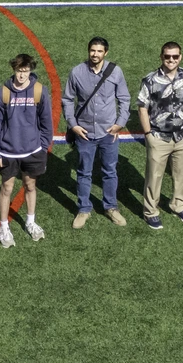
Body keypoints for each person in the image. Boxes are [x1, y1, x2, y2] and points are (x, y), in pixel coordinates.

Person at [62, 36, 131, 229]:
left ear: (105, 53)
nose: (95, 54)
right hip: (84, 133)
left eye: (99, 51)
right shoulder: (77, 72)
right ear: (88, 51)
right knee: (84, 172)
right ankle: (84, 209)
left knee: (109, 171)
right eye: (93, 50)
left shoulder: (115, 71)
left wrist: (120, 123)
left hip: (108, 133)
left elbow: (125, 99)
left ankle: (111, 207)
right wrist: (73, 125)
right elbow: (67, 99)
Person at [0, 53, 54, 248]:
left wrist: (42, 147)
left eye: (25, 71)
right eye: (19, 71)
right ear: (13, 70)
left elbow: (46, 124)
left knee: (30, 186)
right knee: (7, 188)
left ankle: (30, 222)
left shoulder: (40, 91)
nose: (22, 75)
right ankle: (4, 226)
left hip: (33, 151)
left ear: (31, 71)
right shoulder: (2, 93)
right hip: (8, 152)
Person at [138, 42, 183, 230]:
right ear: (161, 57)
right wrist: (148, 134)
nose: (171, 60)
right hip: (158, 136)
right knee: (154, 176)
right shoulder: (150, 79)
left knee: (181, 173)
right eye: (167, 56)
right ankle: (151, 211)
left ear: (180, 57)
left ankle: (178, 205)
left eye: (175, 56)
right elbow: (142, 108)